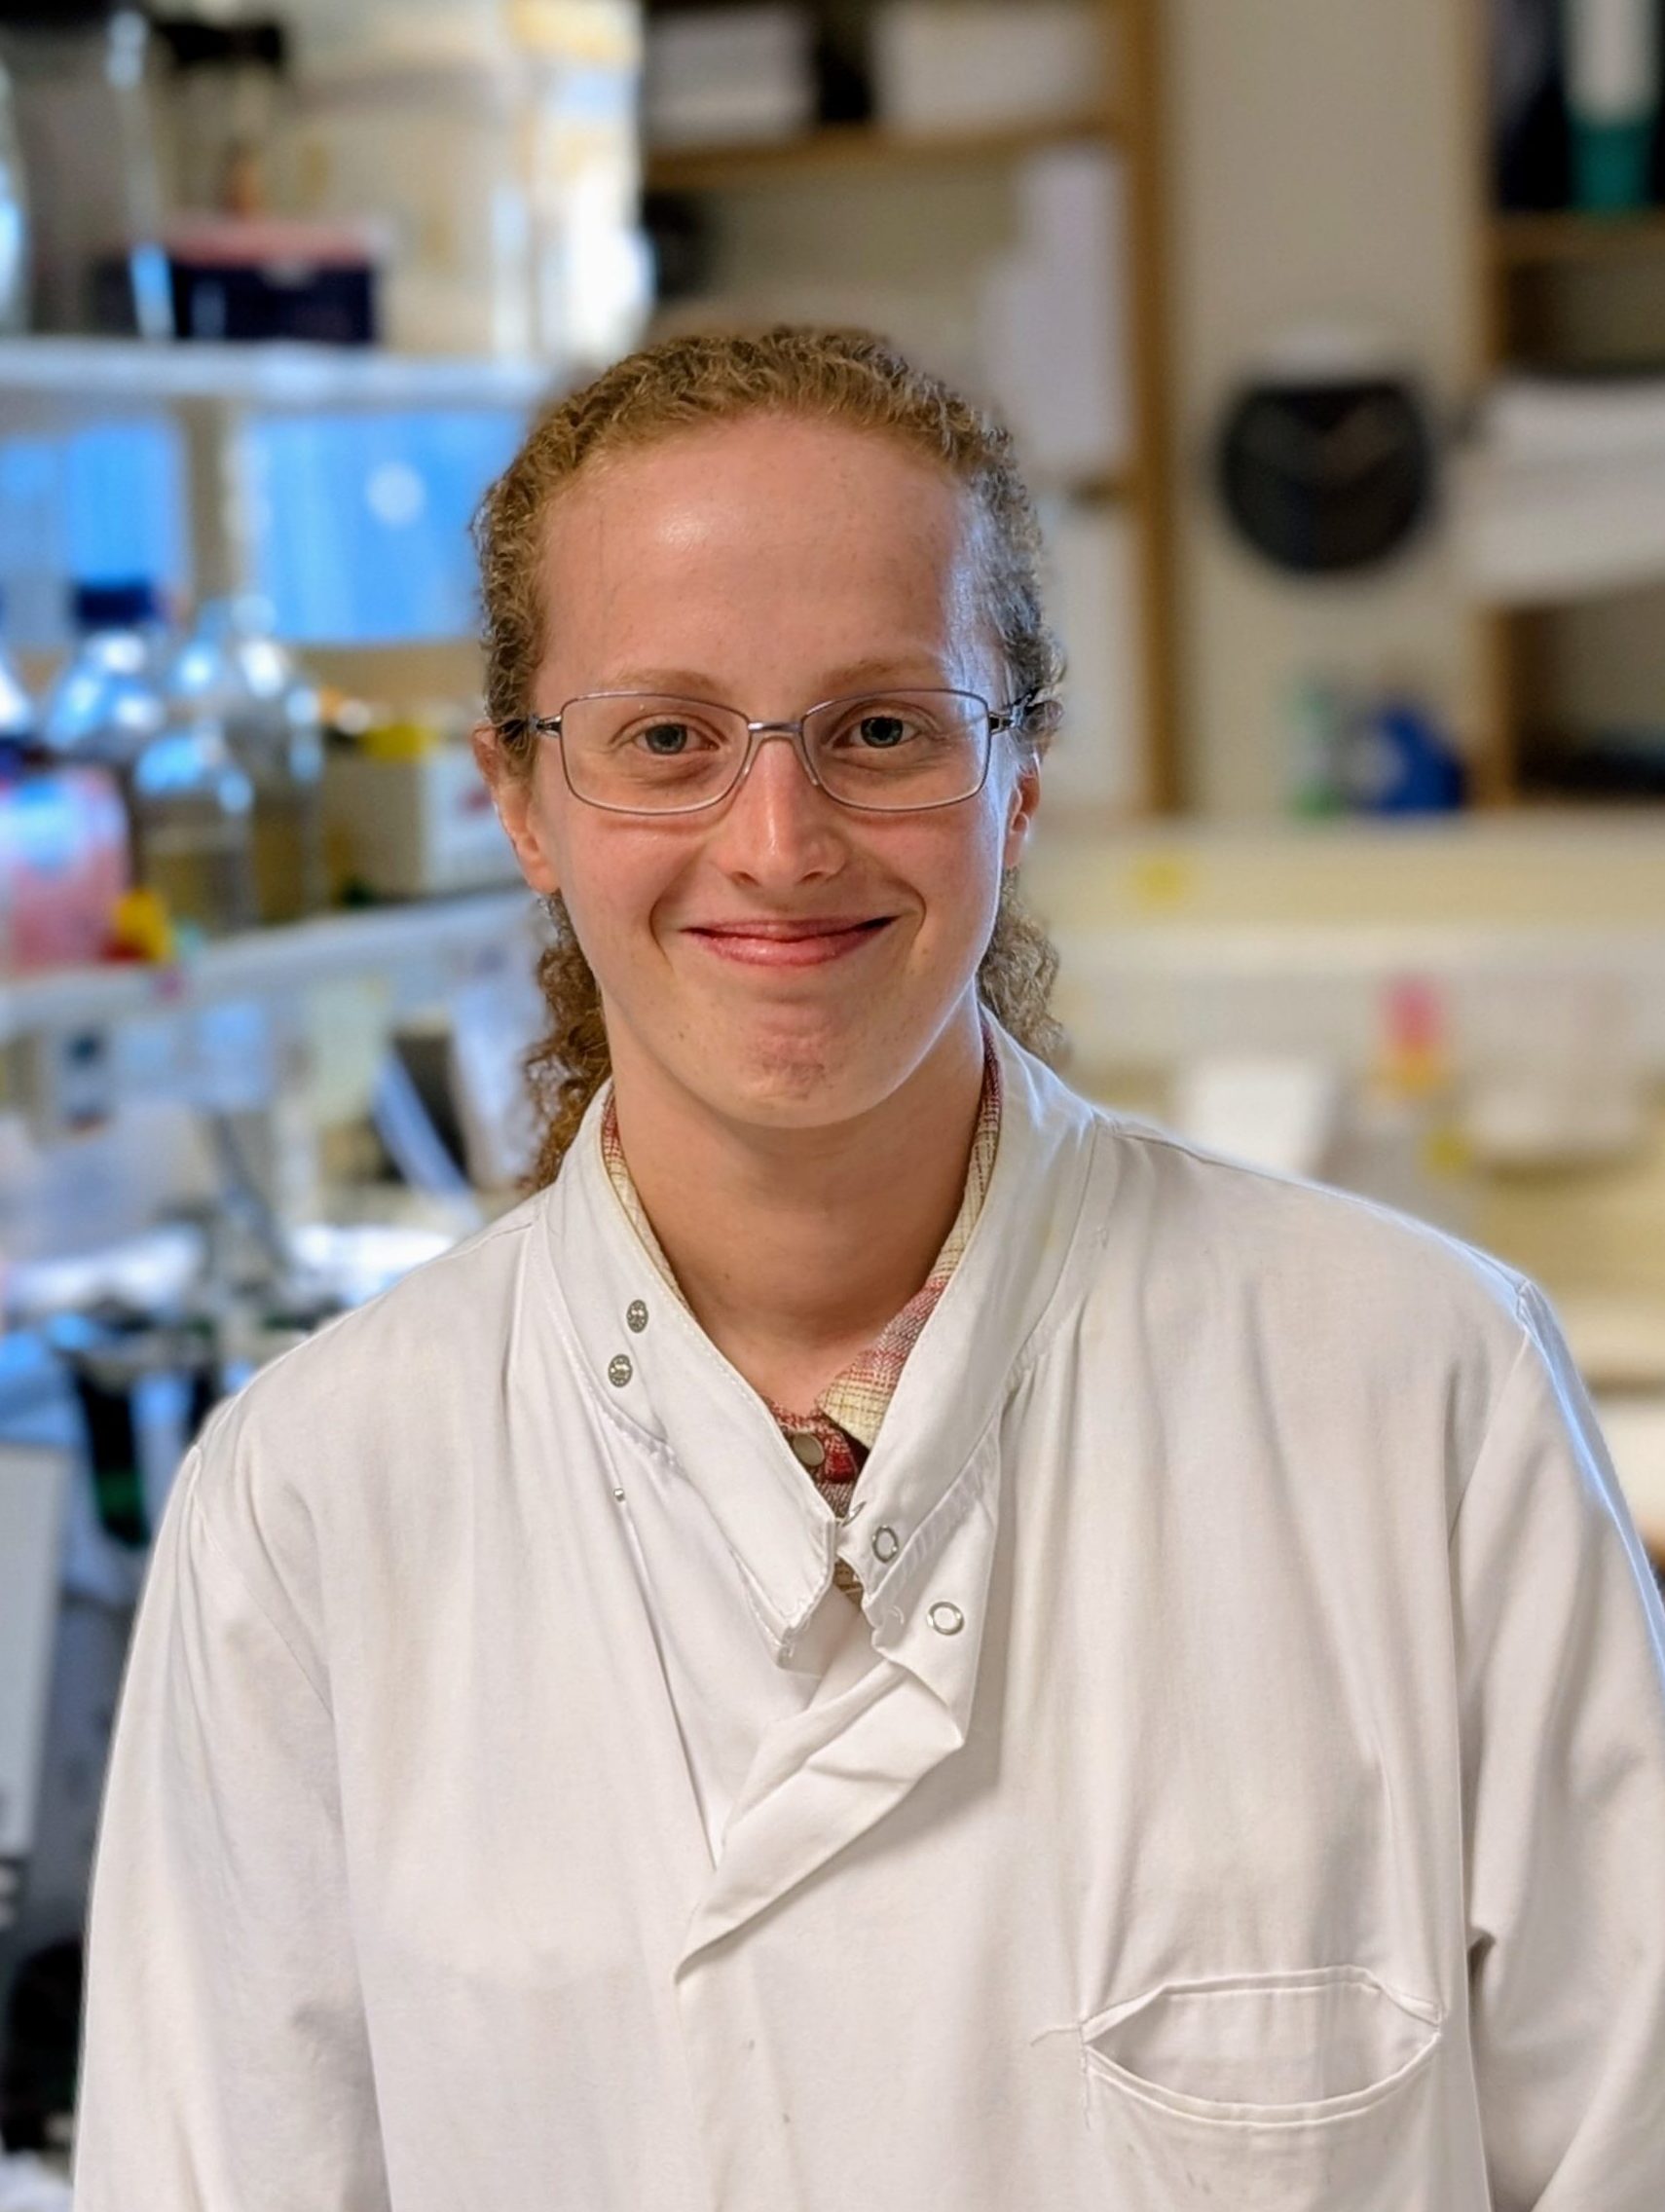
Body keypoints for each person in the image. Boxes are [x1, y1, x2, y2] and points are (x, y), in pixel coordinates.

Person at [73, 327, 1665, 2210]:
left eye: (882, 730)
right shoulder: (309, 1506)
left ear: (1019, 773)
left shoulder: (1422, 1389)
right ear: (520, 799)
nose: (777, 843)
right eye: (665, 738)